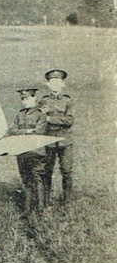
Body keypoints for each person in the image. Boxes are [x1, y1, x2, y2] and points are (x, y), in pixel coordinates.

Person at [8, 88, 47, 222]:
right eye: (23, 99)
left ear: (34, 98)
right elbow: (12, 130)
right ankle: (27, 209)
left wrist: (22, 131)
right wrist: (28, 130)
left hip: (36, 152)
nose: (25, 102)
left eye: (28, 98)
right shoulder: (20, 114)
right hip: (23, 152)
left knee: (37, 180)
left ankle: (40, 210)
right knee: (25, 181)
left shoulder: (40, 115)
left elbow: (39, 131)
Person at [38, 69, 75, 206]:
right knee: (47, 172)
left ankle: (67, 202)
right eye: (52, 82)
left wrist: (49, 118)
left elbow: (69, 121)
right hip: (49, 142)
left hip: (65, 142)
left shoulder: (68, 101)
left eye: (58, 82)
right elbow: (40, 120)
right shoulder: (43, 101)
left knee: (66, 172)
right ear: (48, 84)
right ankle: (46, 201)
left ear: (63, 84)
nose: (55, 85)